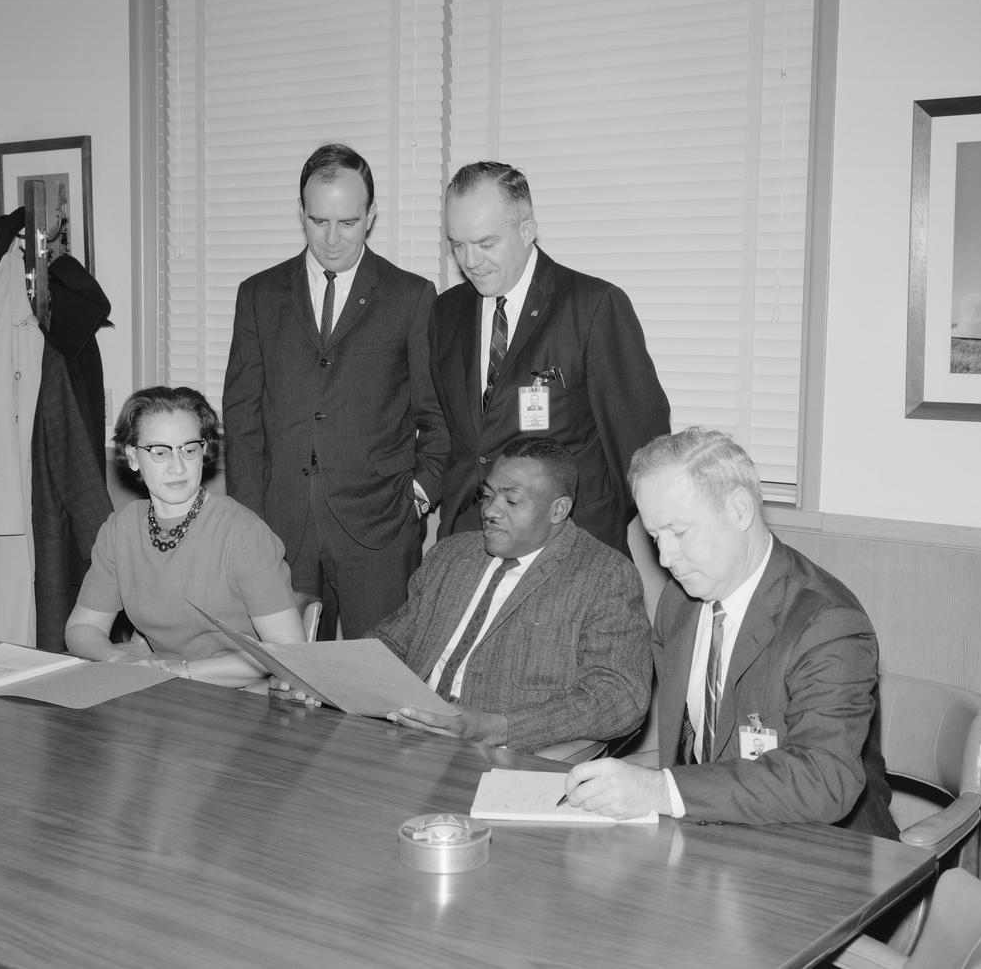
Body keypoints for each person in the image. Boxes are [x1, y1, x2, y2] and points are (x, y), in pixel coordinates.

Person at [561, 427, 898, 837]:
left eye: (680, 532)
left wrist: (657, 789)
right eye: (654, 537)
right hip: (713, 835)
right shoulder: (679, 603)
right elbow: (687, 753)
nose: (666, 557)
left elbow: (823, 780)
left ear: (739, 510)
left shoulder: (827, 623)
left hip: (822, 848)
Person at [224, 143, 448, 639]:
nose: (331, 238)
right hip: (280, 532)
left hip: (380, 530)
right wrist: (248, 521)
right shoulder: (258, 295)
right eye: (317, 220)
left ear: (370, 216)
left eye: (347, 222)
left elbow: (435, 412)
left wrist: (421, 491)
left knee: (382, 688)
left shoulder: (411, 296)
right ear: (300, 213)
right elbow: (241, 416)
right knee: (289, 691)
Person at [431, 161, 669, 555]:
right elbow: (456, 437)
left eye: (486, 243)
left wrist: (592, 524)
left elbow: (641, 450)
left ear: (527, 231)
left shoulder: (592, 307)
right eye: (458, 244)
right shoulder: (446, 313)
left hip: (567, 545)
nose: (470, 261)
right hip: (469, 541)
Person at [371, 436, 652, 754]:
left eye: (511, 501)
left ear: (558, 510)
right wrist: (328, 679)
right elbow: (391, 643)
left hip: (504, 760)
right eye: (487, 495)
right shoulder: (450, 555)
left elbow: (619, 696)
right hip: (407, 741)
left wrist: (498, 728)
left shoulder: (603, 575)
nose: (490, 510)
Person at [66, 386, 306, 687]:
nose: (177, 467)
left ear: (203, 452)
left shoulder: (244, 534)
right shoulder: (120, 530)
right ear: (132, 457)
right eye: (160, 452)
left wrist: (183, 672)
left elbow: (286, 652)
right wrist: (122, 660)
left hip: (242, 696)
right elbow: (82, 628)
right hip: (159, 690)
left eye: (189, 449)